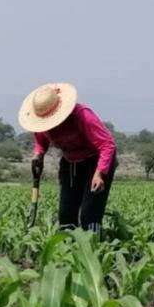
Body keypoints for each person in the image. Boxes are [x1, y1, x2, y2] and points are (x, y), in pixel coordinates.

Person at [18, 83, 117, 236]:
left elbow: (107, 144)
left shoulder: (82, 115)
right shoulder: (42, 124)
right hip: (70, 164)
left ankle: (94, 251)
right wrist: (38, 154)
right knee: (66, 215)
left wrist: (100, 173)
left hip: (95, 162)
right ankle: (68, 251)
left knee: (89, 214)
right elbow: (40, 140)